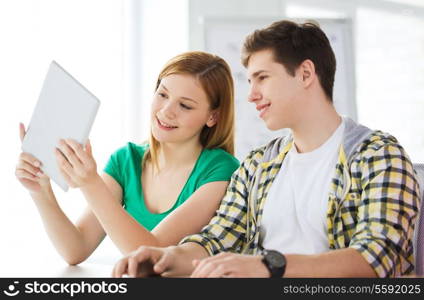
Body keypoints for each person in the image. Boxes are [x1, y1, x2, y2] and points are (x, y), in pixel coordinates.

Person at [112, 20, 420, 278]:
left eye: (262, 78)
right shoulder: (258, 164)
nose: (251, 95)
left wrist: (269, 266)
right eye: (249, 81)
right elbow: (216, 239)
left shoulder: (378, 155)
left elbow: (376, 258)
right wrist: (164, 258)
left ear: (305, 74)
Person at [15, 51, 239, 265]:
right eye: (162, 94)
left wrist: (91, 184)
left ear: (213, 116)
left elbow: (152, 256)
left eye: (185, 105)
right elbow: (76, 248)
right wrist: (40, 190)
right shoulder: (126, 160)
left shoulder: (222, 170)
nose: (166, 111)